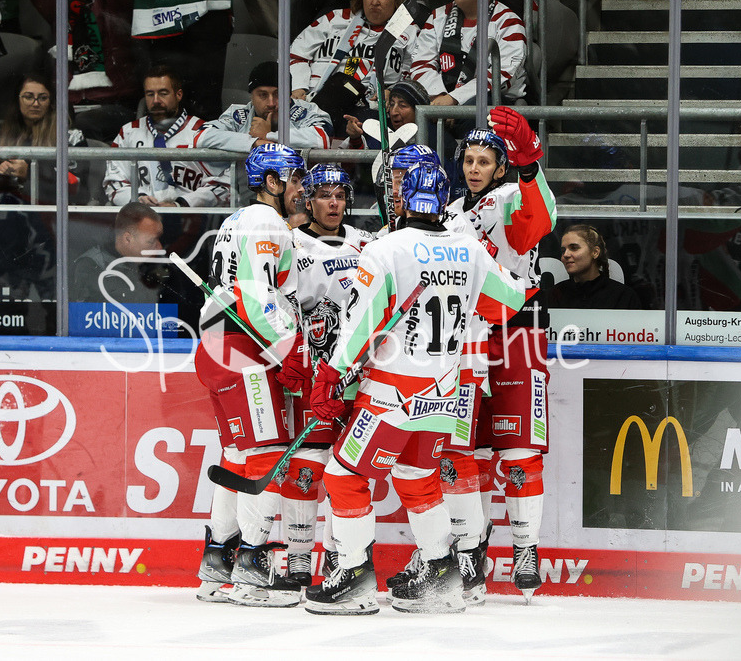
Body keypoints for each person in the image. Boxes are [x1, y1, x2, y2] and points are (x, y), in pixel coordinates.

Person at [303, 161, 532, 615]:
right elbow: (509, 301)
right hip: (445, 391)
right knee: (417, 477)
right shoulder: (470, 249)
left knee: (344, 476)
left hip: (392, 390)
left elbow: (360, 324)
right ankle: (441, 575)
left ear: (404, 200)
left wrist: (331, 374)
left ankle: (352, 575)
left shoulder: (387, 249)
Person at [439, 107, 556, 602]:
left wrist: (531, 166)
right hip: (463, 341)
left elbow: (537, 223)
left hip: (516, 332)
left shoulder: (512, 197)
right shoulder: (445, 213)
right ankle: (472, 553)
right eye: (468, 159)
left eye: (484, 160)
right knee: (462, 452)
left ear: (501, 167)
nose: (473, 168)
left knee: (519, 451)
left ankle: (526, 550)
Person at [194, 143, 306, 607]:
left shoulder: (234, 220)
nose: (301, 188)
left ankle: (217, 565)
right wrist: (289, 352)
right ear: (273, 183)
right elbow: (257, 298)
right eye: (295, 179)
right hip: (245, 349)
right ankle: (253, 573)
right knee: (265, 456)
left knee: (240, 456)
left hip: (216, 346)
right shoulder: (265, 222)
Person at [276, 163, 375, 585]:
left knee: (344, 470)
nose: (333, 203)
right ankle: (298, 559)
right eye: (323, 195)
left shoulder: (367, 244)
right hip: (313, 368)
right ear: (308, 200)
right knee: (306, 464)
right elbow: (281, 308)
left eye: (339, 195)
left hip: (357, 371)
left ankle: (339, 559)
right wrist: (291, 354)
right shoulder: (293, 245)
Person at [289, 0, 415, 138]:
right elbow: (295, 54)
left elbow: (414, 73)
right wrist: (299, 86)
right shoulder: (333, 19)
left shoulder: (409, 31)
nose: (374, 2)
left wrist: (394, 92)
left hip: (369, 108)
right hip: (314, 101)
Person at [21, 0, 141, 143]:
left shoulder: (116, 4)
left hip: (112, 105)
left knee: (82, 124)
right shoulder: (58, 6)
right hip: (66, 108)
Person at [104, 65, 230, 208]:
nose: (156, 100)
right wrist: (137, 199)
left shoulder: (202, 132)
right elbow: (113, 183)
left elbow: (224, 185)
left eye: (163, 93)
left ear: (179, 95)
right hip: (142, 219)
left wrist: (182, 204)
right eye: (150, 94)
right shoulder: (128, 133)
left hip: (191, 221)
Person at [409, 0, 526, 106]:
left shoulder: (509, 23)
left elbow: (501, 76)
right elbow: (421, 65)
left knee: (482, 102)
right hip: (438, 102)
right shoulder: (437, 16)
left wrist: (454, 99)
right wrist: (441, 98)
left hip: (493, 107)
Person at [0, 73, 88, 205]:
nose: (35, 104)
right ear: (18, 100)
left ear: (51, 102)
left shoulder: (71, 138)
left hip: (52, 216)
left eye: (43, 98)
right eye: (28, 97)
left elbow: (77, 189)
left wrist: (30, 173)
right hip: (5, 212)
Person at [131, 0, 232, 121]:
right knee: (167, 101)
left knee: (205, 103)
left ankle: (202, 140)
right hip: (160, 5)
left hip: (207, 6)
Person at [194, 61, 332, 154]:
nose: (271, 103)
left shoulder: (307, 111)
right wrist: (255, 143)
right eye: (263, 95)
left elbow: (322, 139)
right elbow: (201, 136)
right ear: (251, 97)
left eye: (278, 94)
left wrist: (268, 135)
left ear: (289, 95)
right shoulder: (239, 114)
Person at [70, 202, 166, 304]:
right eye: (151, 241)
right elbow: (81, 315)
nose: (159, 247)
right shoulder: (90, 266)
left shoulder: (152, 263)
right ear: (127, 239)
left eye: (159, 239)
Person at [550, 224, 641, 309]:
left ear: (595, 252)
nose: (565, 255)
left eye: (574, 248)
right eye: (563, 250)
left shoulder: (623, 296)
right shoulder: (555, 295)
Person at [344, 79, 429, 150]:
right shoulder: (379, 135)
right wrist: (355, 138)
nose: (393, 112)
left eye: (402, 106)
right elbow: (359, 166)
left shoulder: (437, 139)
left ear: (419, 111)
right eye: (391, 104)